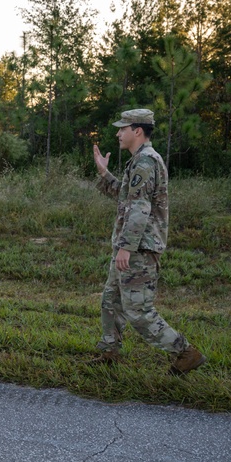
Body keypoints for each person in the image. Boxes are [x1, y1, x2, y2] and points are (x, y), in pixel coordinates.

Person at [90, 108, 206, 376]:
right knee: (111, 301)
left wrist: (126, 248)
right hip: (132, 247)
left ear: (137, 131)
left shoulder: (145, 162)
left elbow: (140, 209)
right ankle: (110, 353)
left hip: (138, 250)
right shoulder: (140, 161)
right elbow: (126, 196)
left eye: (123, 129)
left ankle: (186, 353)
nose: (118, 133)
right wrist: (104, 173)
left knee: (138, 311)